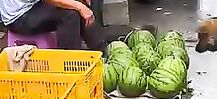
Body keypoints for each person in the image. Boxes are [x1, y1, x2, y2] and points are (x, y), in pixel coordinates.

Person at [0, 0, 156, 52]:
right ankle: (70, 64)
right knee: (70, 14)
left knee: (76, 8)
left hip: (33, 7)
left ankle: (101, 51)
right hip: (19, 18)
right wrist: (78, 6)